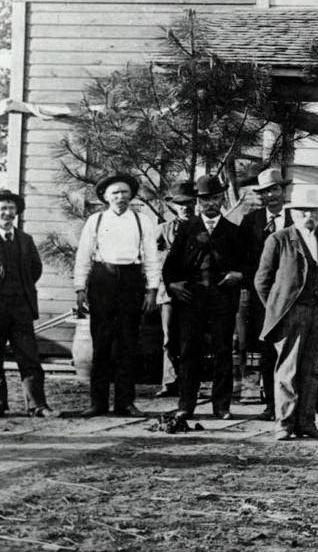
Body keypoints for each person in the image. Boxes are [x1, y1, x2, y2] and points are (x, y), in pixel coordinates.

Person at [73, 171, 159, 418]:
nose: (121, 197)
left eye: (125, 192)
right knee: (101, 344)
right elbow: (83, 257)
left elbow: (152, 258)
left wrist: (151, 290)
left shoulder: (142, 221)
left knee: (128, 344)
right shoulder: (96, 221)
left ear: (131, 195)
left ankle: (125, 402)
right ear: (106, 197)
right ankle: (97, 402)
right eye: (115, 193)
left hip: (131, 283)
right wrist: (80, 288)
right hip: (102, 282)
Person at [161, 174, 247, 420]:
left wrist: (238, 275)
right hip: (191, 301)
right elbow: (170, 266)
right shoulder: (187, 229)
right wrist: (173, 285)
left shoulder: (233, 231)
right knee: (189, 352)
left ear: (222, 198)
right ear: (198, 201)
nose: (210, 203)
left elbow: (248, 265)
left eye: (215, 198)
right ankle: (186, 404)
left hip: (222, 301)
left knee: (223, 352)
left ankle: (222, 406)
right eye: (205, 199)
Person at [255, 202, 318, 441]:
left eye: (313, 211)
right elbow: (262, 280)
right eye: (303, 211)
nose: (308, 216)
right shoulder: (279, 240)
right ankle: (284, 424)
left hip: (317, 311)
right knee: (288, 370)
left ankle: (306, 423)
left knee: (311, 372)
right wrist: (278, 308)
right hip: (291, 314)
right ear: (292, 213)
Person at [239, 168, 293, 420]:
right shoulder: (251, 221)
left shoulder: (297, 218)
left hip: (291, 298)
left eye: (275, 189)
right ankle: (271, 405)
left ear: (284, 190)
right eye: (265, 191)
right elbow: (244, 261)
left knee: (292, 352)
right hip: (261, 299)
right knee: (266, 350)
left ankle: (297, 407)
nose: (271, 195)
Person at [0, 189, 52, 418]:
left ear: (17, 212)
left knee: (29, 357)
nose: (7, 213)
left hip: (21, 308)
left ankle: (37, 405)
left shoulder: (25, 240)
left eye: (11, 208)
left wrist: (21, 290)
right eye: (2, 208)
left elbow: (35, 269)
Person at [153, 180, 195, 398]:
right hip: (168, 292)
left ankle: (189, 383)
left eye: (189, 202)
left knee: (190, 339)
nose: (185, 207)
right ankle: (169, 381)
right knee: (169, 338)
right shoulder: (163, 229)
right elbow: (150, 258)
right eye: (180, 203)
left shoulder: (202, 227)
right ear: (173, 206)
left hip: (194, 292)